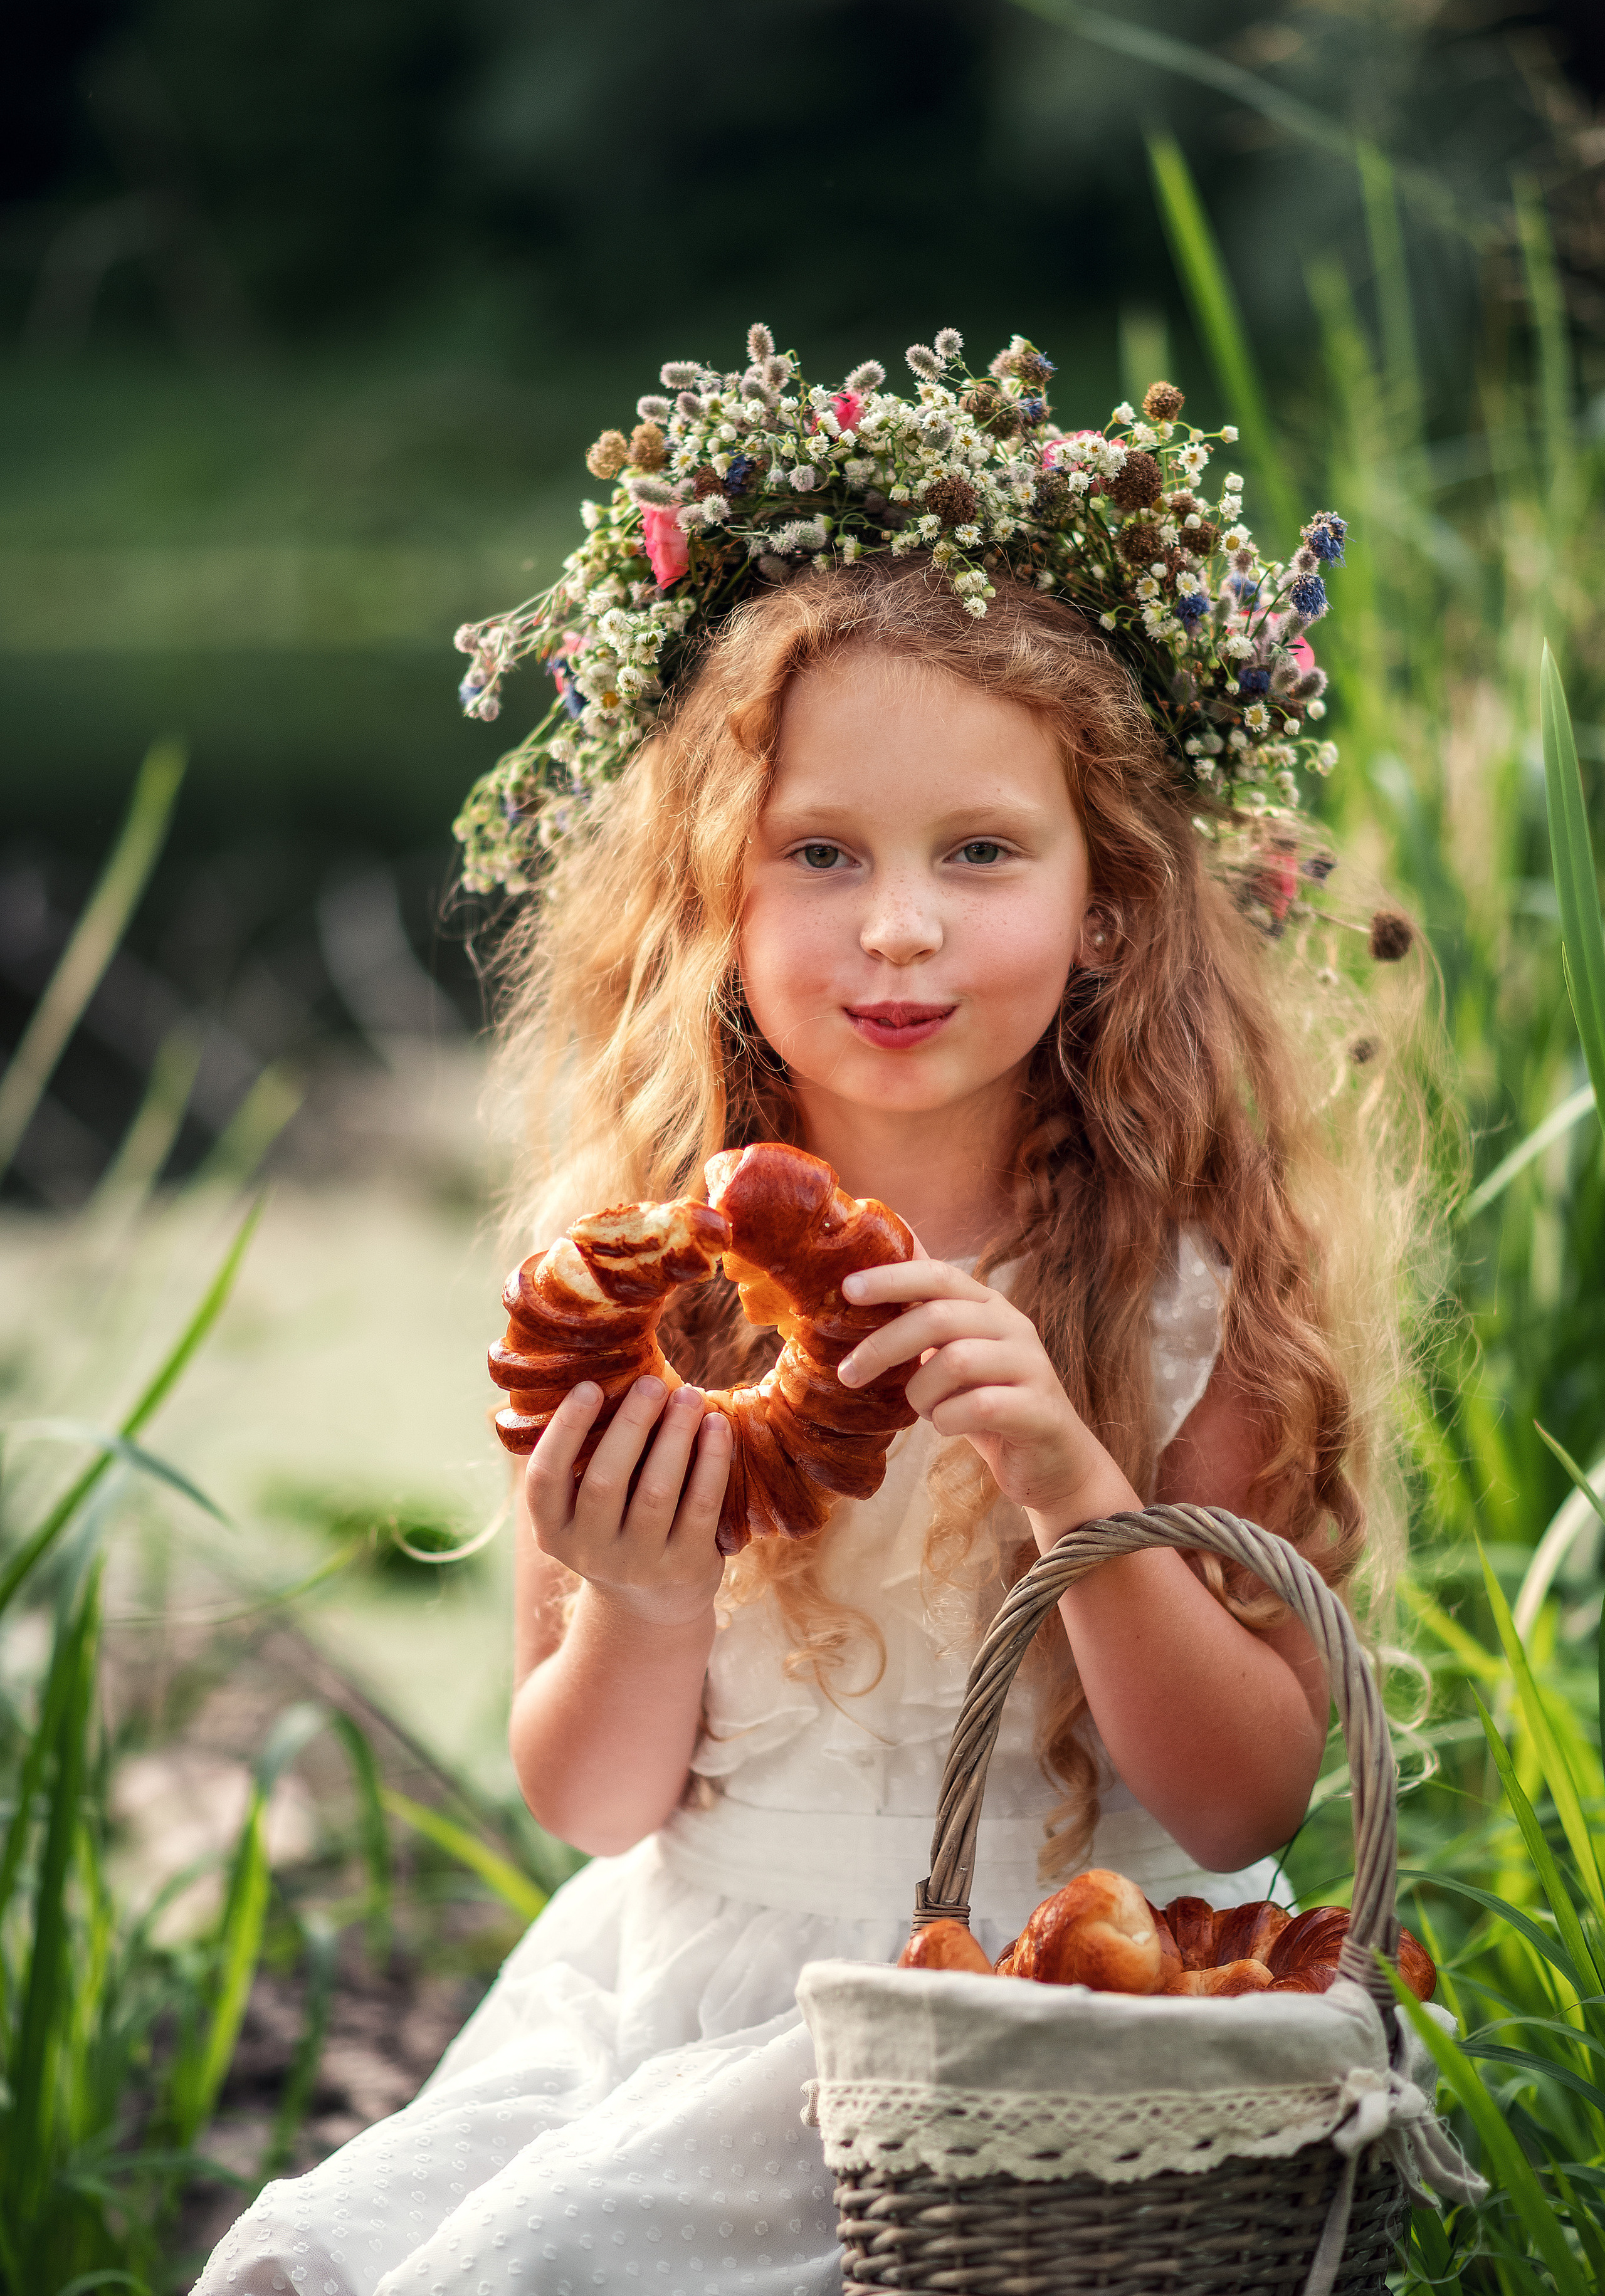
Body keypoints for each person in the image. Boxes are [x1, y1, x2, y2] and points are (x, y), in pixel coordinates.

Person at [196, 330, 1424, 2296]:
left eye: (984, 855)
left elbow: (1245, 1796)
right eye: (822, 855)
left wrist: (1071, 1479)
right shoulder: (630, 1285)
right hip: (700, 1993)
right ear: (717, 899)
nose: (903, 926)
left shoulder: (1195, 1290)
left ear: (1107, 905)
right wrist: (641, 1598)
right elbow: (598, 1806)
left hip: (1059, 2015)